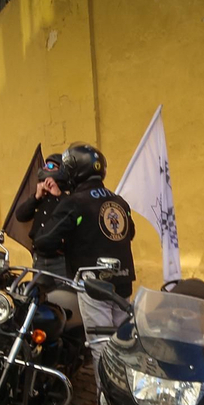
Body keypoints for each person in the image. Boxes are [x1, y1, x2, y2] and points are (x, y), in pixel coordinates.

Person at [33, 143, 136, 349]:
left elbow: (44, 241)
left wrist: (65, 243)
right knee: (123, 343)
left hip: (93, 283)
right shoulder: (119, 202)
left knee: (101, 346)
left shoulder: (75, 202)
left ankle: (103, 382)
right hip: (123, 281)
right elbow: (129, 232)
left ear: (74, 171)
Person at [14, 156, 69, 278]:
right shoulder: (41, 197)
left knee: (63, 295)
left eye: (50, 166)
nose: (45, 168)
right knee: (39, 293)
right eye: (44, 165)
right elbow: (20, 215)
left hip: (60, 260)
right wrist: (36, 197)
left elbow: (72, 213)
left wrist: (58, 195)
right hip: (39, 259)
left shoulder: (67, 197)